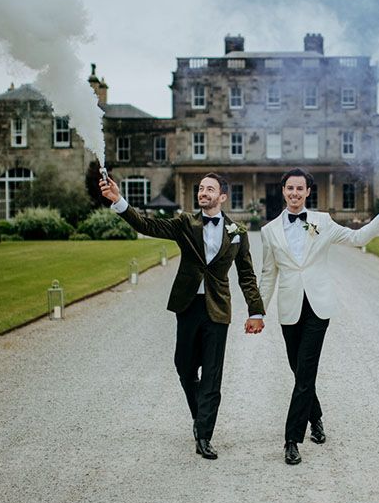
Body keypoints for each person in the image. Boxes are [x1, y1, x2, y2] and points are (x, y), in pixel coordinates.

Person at [100, 172, 265, 460]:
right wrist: (119, 201)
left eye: (210, 189)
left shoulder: (237, 232)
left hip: (218, 308)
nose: (203, 192)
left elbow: (247, 274)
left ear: (222, 196)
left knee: (212, 376)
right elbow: (148, 224)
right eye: (201, 188)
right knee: (185, 368)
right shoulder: (185, 223)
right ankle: (200, 415)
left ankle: (204, 435)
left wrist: (256, 311)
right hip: (188, 305)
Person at [246, 168, 379, 465]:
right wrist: (257, 312)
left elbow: (357, 238)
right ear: (283, 191)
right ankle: (315, 417)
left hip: (318, 307)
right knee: (299, 371)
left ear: (308, 192)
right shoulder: (269, 232)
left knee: (305, 373)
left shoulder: (323, 222)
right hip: (290, 309)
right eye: (289, 188)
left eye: (299, 189)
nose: (294, 193)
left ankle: (292, 440)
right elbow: (268, 275)